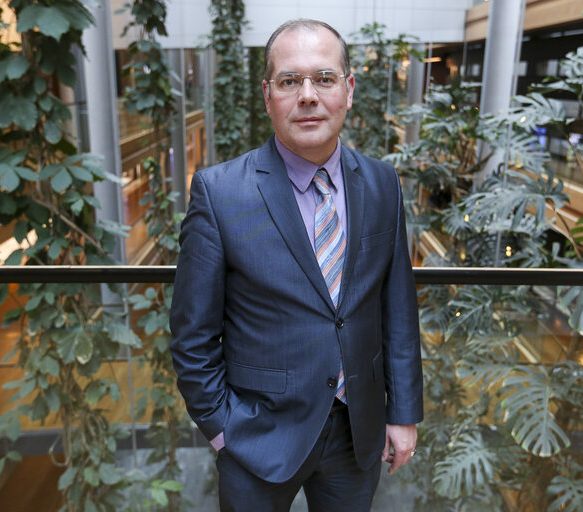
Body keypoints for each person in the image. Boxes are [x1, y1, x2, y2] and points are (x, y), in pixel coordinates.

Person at [169, 18, 423, 512]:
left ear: (348, 90)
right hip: (256, 439)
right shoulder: (219, 193)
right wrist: (223, 432)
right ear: (269, 96)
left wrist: (403, 413)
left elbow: (398, 311)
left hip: (358, 435)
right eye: (290, 81)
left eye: (324, 78)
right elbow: (191, 336)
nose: (308, 95)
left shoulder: (381, 183)